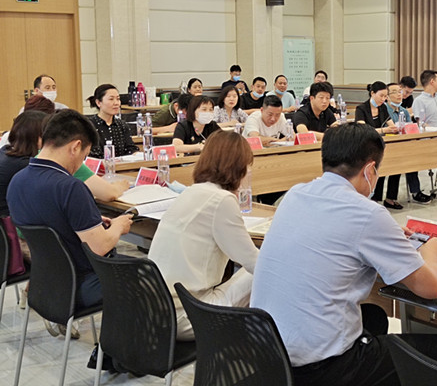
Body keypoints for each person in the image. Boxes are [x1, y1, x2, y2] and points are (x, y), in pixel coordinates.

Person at [251, 122, 437, 386]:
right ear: (369, 170)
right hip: (321, 368)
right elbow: (430, 288)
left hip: (270, 356)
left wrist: (385, 234)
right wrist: (431, 251)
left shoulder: (295, 194)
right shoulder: (367, 213)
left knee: (374, 317)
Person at [7, 109, 133, 310]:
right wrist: (118, 226)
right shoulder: (71, 188)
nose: (80, 164)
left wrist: (89, 220)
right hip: (81, 283)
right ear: (75, 147)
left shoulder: (17, 181)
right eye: (84, 156)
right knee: (151, 276)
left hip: (44, 281)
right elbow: (99, 247)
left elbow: (48, 219)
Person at [149, 130, 259, 340]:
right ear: (239, 167)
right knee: (268, 268)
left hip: (156, 310)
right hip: (189, 315)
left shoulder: (192, 191)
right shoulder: (222, 200)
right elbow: (254, 263)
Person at [384, 83, 432, 204]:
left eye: (400, 91)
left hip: (404, 144)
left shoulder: (404, 111)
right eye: (395, 92)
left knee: (412, 157)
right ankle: (390, 197)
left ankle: (416, 192)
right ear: (387, 96)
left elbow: (411, 129)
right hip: (389, 145)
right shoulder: (383, 110)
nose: (399, 95)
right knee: (400, 161)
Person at [355, 82, 401, 208]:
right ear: (372, 93)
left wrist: (395, 128)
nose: (383, 99)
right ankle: (374, 198)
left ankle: (391, 197)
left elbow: (391, 124)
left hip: (381, 144)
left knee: (396, 164)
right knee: (378, 167)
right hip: (366, 146)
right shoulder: (361, 109)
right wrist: (384, 130)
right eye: (381, 96)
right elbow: (363, 130)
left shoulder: (383, 108)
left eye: (385, 96)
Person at [87, 84, 139, 159]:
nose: (116, 103)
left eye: (118, 99)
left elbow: (130, 149)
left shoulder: (122, 125)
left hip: (122, 165)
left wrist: (136, 154)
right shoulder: (89, 126)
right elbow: (92, 154)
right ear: (98, 103)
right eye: (111, 99)